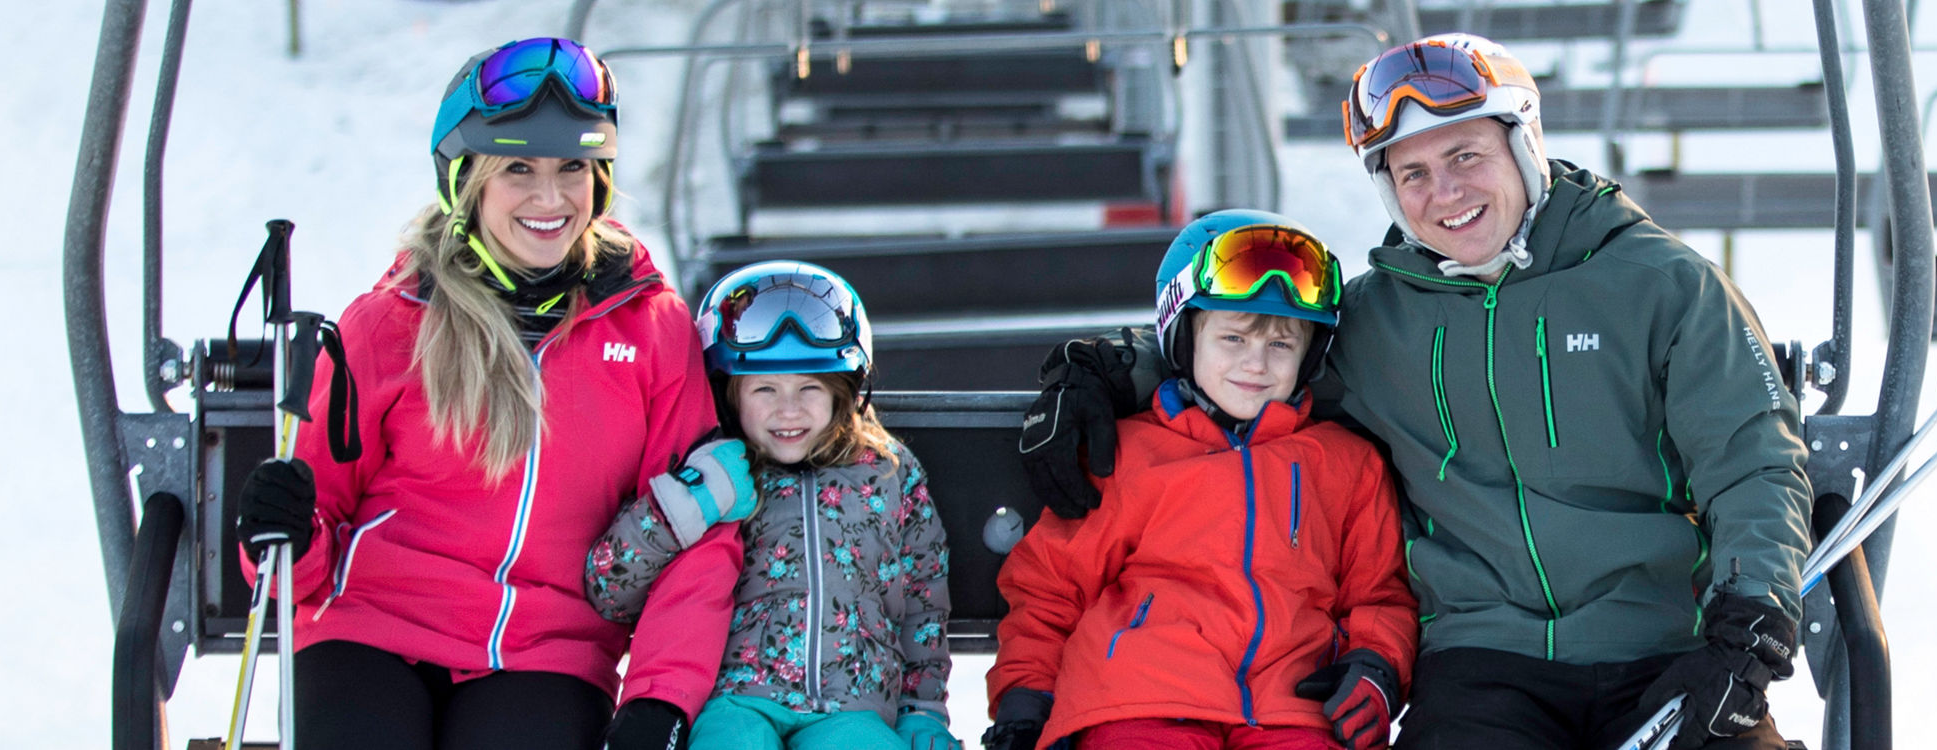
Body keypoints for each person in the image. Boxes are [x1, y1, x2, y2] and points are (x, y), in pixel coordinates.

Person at [1016, 35, 1813, 750]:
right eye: (1413, 174)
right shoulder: (1376, 322)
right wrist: (1113, 368)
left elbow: (1751, 458)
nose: (1445, 193)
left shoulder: (1659, 284)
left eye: (1465, 156)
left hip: (1662, 643)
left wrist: (1750, 624)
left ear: (1524, 146)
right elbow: (1249, 356)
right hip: (1484, 664)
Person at [233, 37, 747, 750]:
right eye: (518, 168)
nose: (550, 198)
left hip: (548, 652)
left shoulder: (650, 331)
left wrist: (659, 698)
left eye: (573, 167)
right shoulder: (391, 322)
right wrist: (282, 532)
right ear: (466, 179)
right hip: (369, 629)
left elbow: (697, 532)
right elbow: (308, 533)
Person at [985, 211, 1418, 750]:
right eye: (1232, 337)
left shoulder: (1344, 465)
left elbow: (1379, 594)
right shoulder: (1128, 454)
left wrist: (1376, 666)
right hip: (1141, 700)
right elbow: (1051, 590)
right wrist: (1026, 696)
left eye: (1281, 345)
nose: (1256, 364)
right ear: (1183, 337)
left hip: (1294, 709)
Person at [584, 261, 960, 750]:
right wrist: (686, 503)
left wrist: (922, 709)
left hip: (853, 707)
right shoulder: (715, 470)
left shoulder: (887, 471)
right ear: (730, 394)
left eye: (809, 387)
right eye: (765, 389)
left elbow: (923, 601)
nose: (788, 409)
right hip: (737, 701)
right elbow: (608, 587)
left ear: (843, 391)